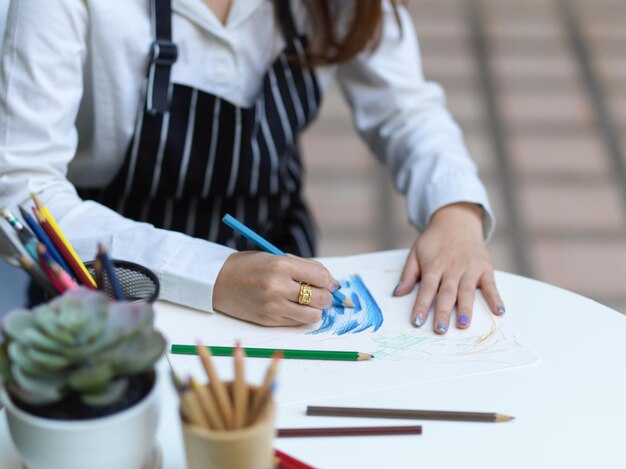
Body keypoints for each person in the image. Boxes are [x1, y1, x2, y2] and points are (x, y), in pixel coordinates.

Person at [0, 0, 504, 334]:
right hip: (106, 290)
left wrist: (454, 210)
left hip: (283, 276)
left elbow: (406, 108)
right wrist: (212, 275)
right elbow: (21, 196)